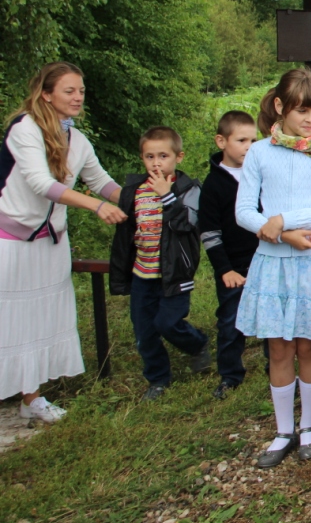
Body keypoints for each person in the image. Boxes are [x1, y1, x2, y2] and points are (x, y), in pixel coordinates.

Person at [234, 69, 311, 467]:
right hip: (272, 263)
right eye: (302, 111)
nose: (310, 120)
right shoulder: (259, 152)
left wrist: (281, 219)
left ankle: (309, 424)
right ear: (279, 108)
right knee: (278, 346)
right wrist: (279, 233)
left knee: (308, 344)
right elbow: (243, 211)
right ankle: (283, 428)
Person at [0, 62, 126, 422]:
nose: (77, 97)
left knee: (39, 319)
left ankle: (31, 400)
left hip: (50, 243)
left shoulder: (78, 140)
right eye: (69, 90)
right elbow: (42, 184)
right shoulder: (25, 130)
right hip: (10, 239)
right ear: (46, 94)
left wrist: (149, 202)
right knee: (8, 319)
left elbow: (103, 183)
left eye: (81, 90)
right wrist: (95, 206)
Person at [110, 127, 208, 401]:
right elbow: (128, 231)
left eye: (163, 156)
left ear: (178, 157)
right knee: (144, 330)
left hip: (175, 273)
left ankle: (197, 344)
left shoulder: (188, 189)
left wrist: (167, 195)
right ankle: (157, 378)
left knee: (168, 322)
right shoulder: (134, 191)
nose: (156, 163)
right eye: (149, 156)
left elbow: (187, 224)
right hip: (142, 272)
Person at [198, 111, 260, 399]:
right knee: (230, 321)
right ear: (221, 141)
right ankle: (230, 375)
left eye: (254, 140)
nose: (249, 146)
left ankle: (279, 369)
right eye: (242, 140)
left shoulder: (259, 175)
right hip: (233, 266)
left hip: (263, 259)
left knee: (270, 317)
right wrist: (225, 269)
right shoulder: (213, 185)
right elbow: (209, 233)